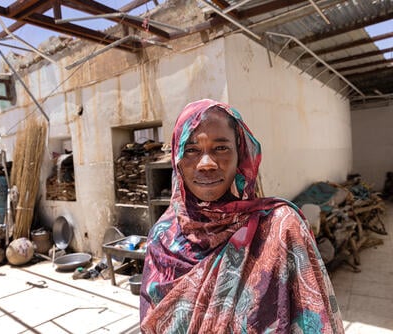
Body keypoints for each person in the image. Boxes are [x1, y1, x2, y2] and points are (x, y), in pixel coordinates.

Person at [140, 99, 344, 333]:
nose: (206, 163)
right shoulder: (162, 237)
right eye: (192, 150)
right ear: (177, 160)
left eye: (221, 148)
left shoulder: (280, 229)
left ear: (240, 156)